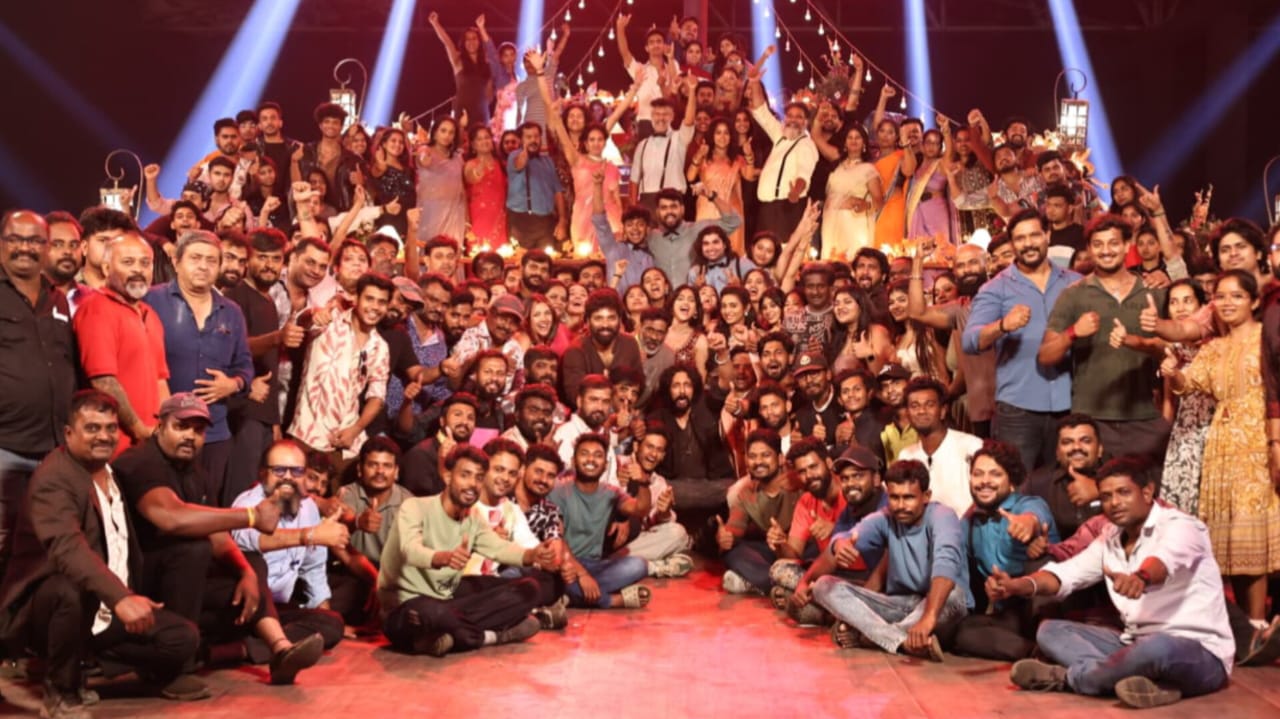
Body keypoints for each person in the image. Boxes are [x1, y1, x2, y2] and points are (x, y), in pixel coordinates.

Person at [0, 391, 209, 716]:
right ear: (69, 433)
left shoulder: (111, 473)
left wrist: (132, 596)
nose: (104, 436)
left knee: (183, 639)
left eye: (110, 428)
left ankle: (87, 660)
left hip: (104, 609)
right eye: (92, 428)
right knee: (69, 589)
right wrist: (120, 597)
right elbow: (67, 548)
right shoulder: (54, 478)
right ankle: (61, 689)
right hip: (49, 611)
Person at [112, 394, 334, 685]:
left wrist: (246, 572)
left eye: (198, 430)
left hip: (192, 590)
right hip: (142, 589)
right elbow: (171, 517)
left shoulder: (194, 471)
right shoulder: (141, 461)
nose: (190, 436)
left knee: (325, 621)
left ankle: (278, 649)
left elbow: (218, 534)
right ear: (160, 424)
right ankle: (179, 667)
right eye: (181, 427)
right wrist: (252, 517)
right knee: (193, 548)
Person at [990, 457, 1233, 709]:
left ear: (1147, 492)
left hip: (1199, 653)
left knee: (1157, 647)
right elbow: (1067, 574)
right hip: (1134, 643)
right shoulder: (1111, 536)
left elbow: (1164, 560)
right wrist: (1018, 585)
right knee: (1050, 631)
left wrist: (1141, 577)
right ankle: (1142, 682)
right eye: (1106, 496)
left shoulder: (1182, 526)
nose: (1114, 503)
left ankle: (1069, 678)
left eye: (1123, 492)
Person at [1162, 269, 1280, 621]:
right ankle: (1245, 626)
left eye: (1237, 296)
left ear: (1254, 301)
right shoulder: (1214, 346)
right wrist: (1174, 372)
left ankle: (1257, 623)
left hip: (1258, 441)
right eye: (1221, 297)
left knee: (1252, 531)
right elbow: (1190, 384)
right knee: (1231, 538)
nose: (1227, 303)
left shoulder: (1265, 338)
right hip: (1222, 446)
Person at [378, 445, 560, 656]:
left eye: (479, 478)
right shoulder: (414, 507)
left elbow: (499, 548)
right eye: (465, 475)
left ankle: (442, 636)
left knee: (530, 589)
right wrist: (442, 557)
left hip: (447, 598)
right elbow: (410, 550)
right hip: (405, 605)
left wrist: (532, 555)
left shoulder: (473, 518)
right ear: (447, 476)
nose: (472, 484)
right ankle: (490, 636)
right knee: (431, 613)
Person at [1039, 215, 1170, 465]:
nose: (1106, 251)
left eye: (1113, 243)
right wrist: (1073, 332)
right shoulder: (1074, 295)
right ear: (1089, 249)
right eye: (1098, 244)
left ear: (1127, 245)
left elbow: (1177, 351)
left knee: (1148, 487)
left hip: (1145, 417)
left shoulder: (1153, 292)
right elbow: (1045, 356)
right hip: (1093, 419)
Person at [812, 459, 971, 661]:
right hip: (901, 605)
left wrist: (928, 618)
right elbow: (850, 535)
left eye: (908, 497)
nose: (901, 506)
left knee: (954, 594)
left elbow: (945, 564)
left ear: (926, 496)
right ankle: (899, 640)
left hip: (940, 606)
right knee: (824, 585)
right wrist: (840, 544)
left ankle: (870, 636)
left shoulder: (942, 516)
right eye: (894, 497)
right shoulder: (886, 517)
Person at [962, 209, 1081, 472]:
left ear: (1047, 235)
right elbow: (970, 341)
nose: (1028, 244)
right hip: (1018, 410)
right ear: (1012, 244)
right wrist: (1002, 325)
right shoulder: (996, 288)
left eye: (1034, 235)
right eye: (1020, 238)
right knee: (1016, 484)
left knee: (1069, 484)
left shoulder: (1074, 283)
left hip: (1071, 404)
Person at [145, 231, 253, 504]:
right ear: (177, 262)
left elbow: (245, 365)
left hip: (213, 434)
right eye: (195, 258)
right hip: (162, 431)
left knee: (206, 506)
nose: (203, 266)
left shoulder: (232, 311)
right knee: (164, 507)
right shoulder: (151, 301)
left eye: (211, 260)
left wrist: (234, 384)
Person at [0, 211, 78, 584]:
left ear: (46, 247)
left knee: (43, 550)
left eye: (34, 241)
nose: (25, 248)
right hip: (5, 446)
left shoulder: (57, 299)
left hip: (53, 448)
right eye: (16, 239)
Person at [951, 440, 1059, 661]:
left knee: (1039, 562)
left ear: (1011, 481)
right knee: (960, 632)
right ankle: (1036, 654)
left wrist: (1027, 524)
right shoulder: (970, 522)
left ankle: (1052, 645)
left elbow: (1033, 516)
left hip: (1042, 607)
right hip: (1010, 613)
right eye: (978, 474)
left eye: (995, 474)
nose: (985, 481)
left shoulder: (1027, 504)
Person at [73, 231, 169, 455]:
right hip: (113, 446)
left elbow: (160, 380)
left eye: (145, 263)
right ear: (107, 268)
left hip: (150, 445)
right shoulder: (96, 308)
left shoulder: (151, 315)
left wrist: (165, 429)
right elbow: (103, 381)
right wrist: (139, 430)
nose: (138, 270)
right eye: (128, 262)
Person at [548, 434, 653, 609]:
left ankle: (571, 596)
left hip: (595, 565)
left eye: (597, 455)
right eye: (584, 454)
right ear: (573, 461)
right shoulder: (559, 491)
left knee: (638, 565)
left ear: (605, 465)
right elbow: (556, 539)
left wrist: (643, 483)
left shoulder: (611, 492)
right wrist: (582, 575)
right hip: (565, 564)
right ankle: (610, 600)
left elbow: (640, 509)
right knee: (556, 579)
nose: (591, 459)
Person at [331, 437, 407, 626]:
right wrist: (357, 522)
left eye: (387, 466)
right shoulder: (347, 494)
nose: (380, 471)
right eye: (373, 465)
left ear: (396, 471)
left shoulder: (408, 503)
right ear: (360, 469)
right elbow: (338, 530)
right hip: (352, 572)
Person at [717, 430, 801, 595]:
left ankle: (761, 582)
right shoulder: (746, 493)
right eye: (752, 456)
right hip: (771, 552)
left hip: (800, 549)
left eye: (765, 455)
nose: (758, 462)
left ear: (780, 458)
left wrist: (785, 542)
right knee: (734, 552)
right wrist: (725, 539)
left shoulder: (797, 482)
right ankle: (778, 584)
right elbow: (733, 532)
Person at [745, 56, 818, 240]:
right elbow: (761, 111)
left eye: (799, 117)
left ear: (806, 122)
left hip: (788, 207)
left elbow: (804, 172)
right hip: (767, 208)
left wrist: (796, 191)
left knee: (784, 250)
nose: (793, 119)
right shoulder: (780, 135)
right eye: (790, 115)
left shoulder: (806, 144)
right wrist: (755, 82)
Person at [895, 377, 985, 515]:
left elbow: (987, 494)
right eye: (914, 406)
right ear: (907, 414)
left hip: (968, 525)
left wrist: (964, 523)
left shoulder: (971, 446)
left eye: (929, 404)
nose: (921, 411)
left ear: (943, 411)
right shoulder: (906, 455)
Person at [646, 188, 742, 291]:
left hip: (693, 296)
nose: (669, 211)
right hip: (663, 298)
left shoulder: (698, 229)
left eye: (673, 206)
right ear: (657, 212)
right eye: (664, 208)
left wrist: (712, 196)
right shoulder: (651, 237)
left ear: (682, 209)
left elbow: (734, 221)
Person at [562, 289, 643, 403]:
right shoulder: (575, 351)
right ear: (587, 321)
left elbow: (638, 386)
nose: (605, 325)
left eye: (611, 318)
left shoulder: (630, 344)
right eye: (598, 318)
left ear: (620, 320)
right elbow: (575, 395)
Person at [820, 124, 881, 260]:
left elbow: (878, 201)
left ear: (864, 143)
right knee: (832, 260)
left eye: (858, 137)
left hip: (854, 222)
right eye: (850, 137)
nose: (853, 140)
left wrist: (866, 205)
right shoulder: (836, 167)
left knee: (853, 259)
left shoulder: (868, 169)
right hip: (832, 221)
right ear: (845, 142)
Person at [400, 393, 478, 497]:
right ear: (442, 421)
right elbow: (419, 501)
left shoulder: (471, 456)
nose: (464, 422)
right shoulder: (421, 454)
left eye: (470, 418)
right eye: (457, 415)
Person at [506, 122, 567, 251]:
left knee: (546, 259)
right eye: (528, 137)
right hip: (521, 221)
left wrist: (562, 220)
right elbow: (519, 164)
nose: (533, 140)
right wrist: (525, 151)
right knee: (520, 260)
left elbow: (558, 192)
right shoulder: (514, 156)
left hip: (546, 222)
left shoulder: (547, 161)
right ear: (521, 140)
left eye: (536, 136)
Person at [427, 11, 492, 126]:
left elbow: (489, 92)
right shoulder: (458, 60)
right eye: (467, 39)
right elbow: (447, 42)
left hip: (482, 112)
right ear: (463, 42)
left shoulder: (487, 63)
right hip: (462, 111)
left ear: (479, 41)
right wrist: (435, 23)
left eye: (474, 38)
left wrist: (482, 28)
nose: (471, 42)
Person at [413, 116, 467, 246]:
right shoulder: (425, 150)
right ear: (435, 133)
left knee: (451, 250)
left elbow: (461, 188)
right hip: (431, 212)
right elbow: (423, 159)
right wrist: (424, 157)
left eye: (451, 132)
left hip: (454, 211)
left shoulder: (457, 156)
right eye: (443, 131)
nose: (447, 135)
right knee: (428, 249)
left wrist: (467, 216)